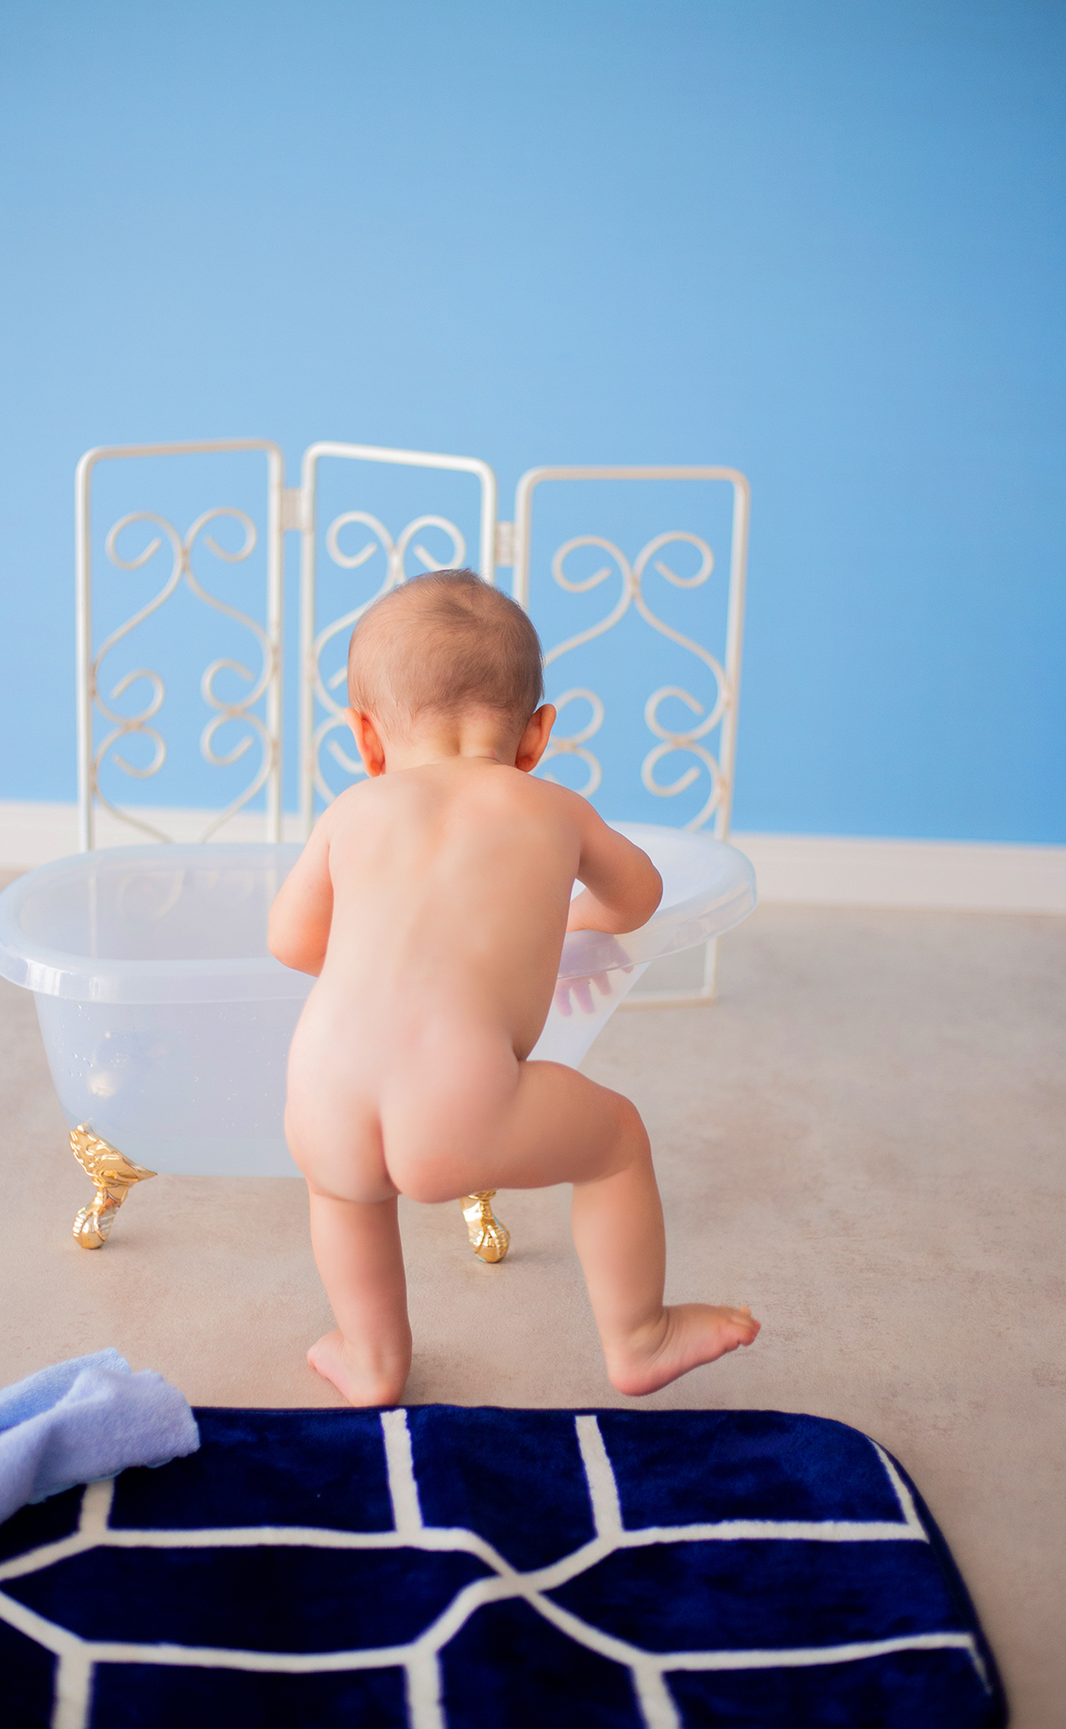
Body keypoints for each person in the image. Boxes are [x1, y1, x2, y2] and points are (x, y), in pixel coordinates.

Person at [268, 568, 759, 1406]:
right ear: (536, 736)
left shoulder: (350, 812)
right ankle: (640, 1336)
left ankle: (371, 1357)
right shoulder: (553, 808)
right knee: (615, 1138)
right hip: (458, 1098)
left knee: (344, 1196)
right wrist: (570, 919)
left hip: (321, 1088)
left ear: (365, 737)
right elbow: (639, 897)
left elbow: (291, 942)